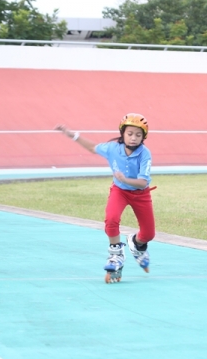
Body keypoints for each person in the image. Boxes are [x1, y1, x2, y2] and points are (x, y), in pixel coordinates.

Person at [55, 113, 156, 282]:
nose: (133, 138)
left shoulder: (145, 154)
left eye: (138, 135)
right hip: (120, 191)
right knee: (111, 218)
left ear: (143, 137)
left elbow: (141, 182)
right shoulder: (112, 148)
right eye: (130, 134)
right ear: (122, 133)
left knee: (148, 234)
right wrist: (71, 134)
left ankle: (136, 243)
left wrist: (125, 179)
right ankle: (116, 254)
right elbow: (92, 148)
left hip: (141, 194)